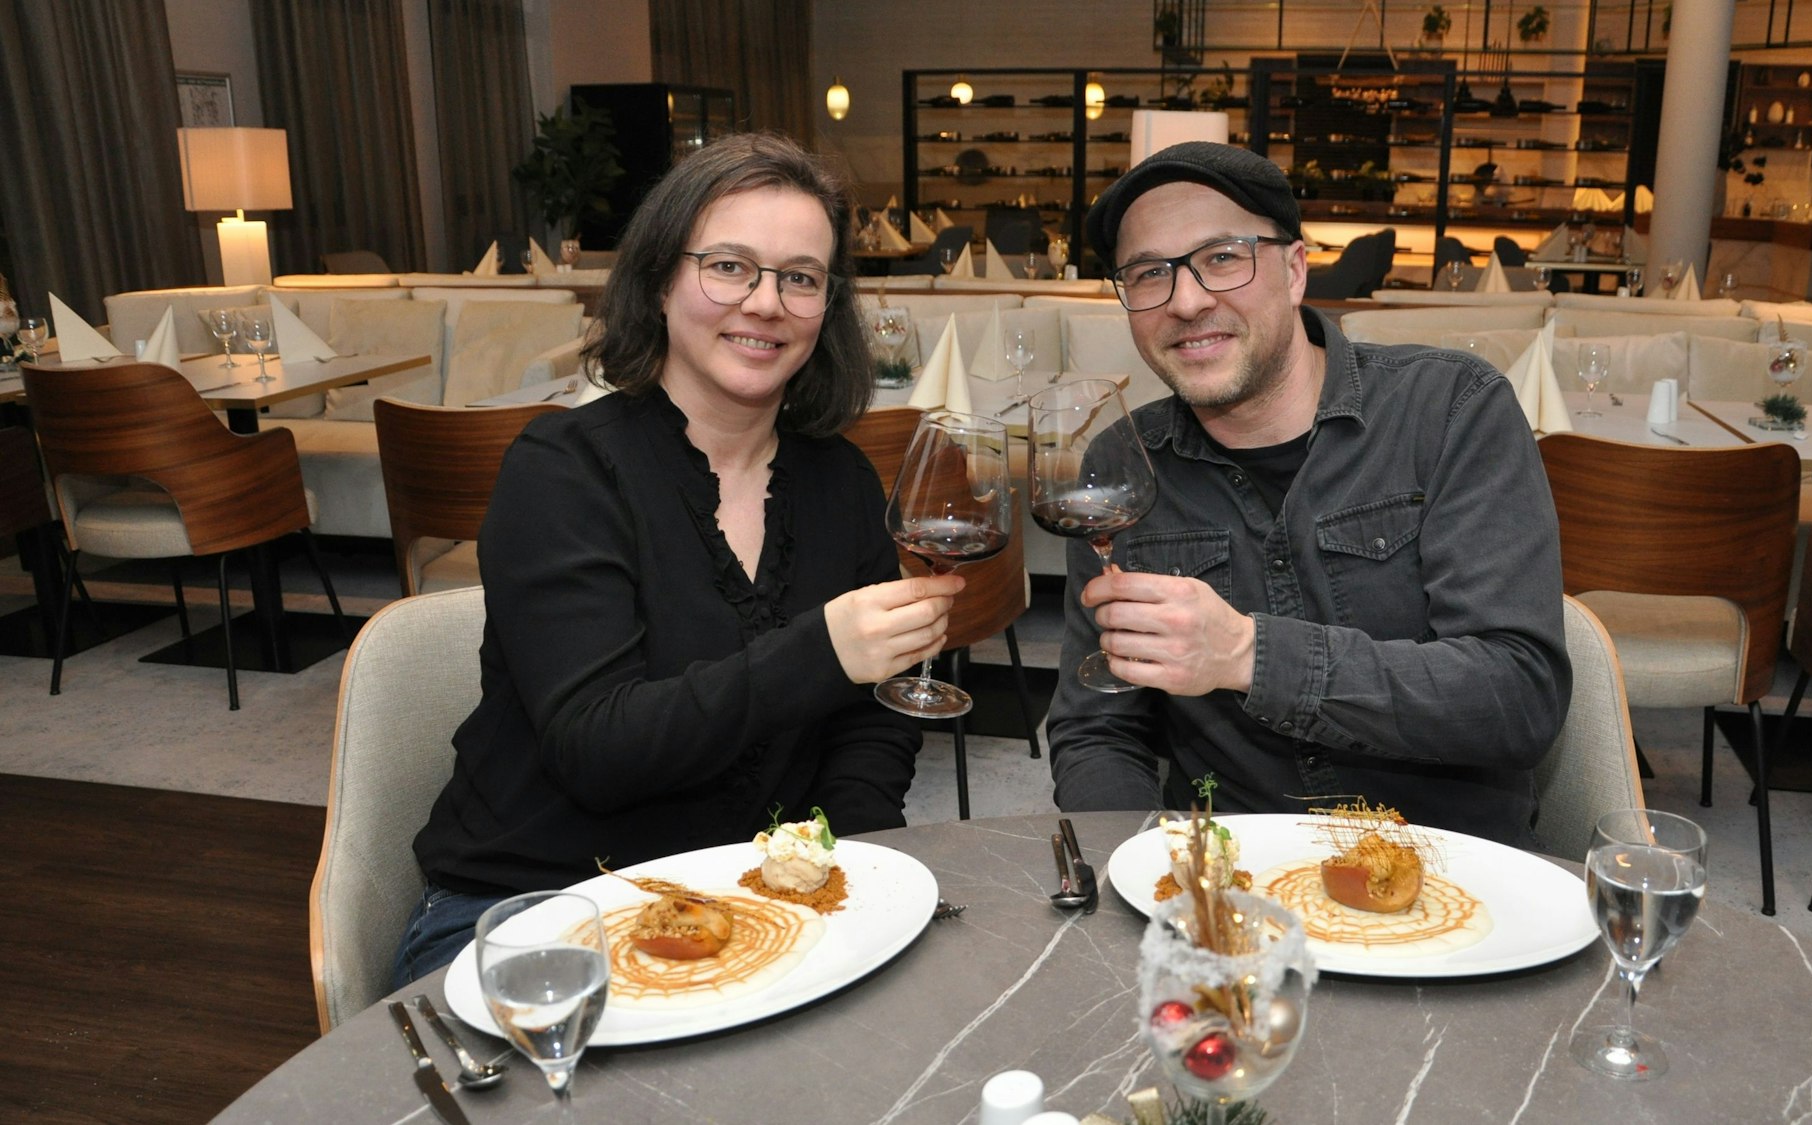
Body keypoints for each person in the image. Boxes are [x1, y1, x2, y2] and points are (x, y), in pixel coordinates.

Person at [394, 133, 963, 983]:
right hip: (538, 907)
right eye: (729, 266)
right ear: (661, 280)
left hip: (748, 904)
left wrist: (857, 874)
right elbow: (596, 747)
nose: (766, 303)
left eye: (800, 277)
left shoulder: (838, 477)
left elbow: (871, 719)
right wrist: (821, 651)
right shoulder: (564, 470)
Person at [1046, 142, 1570, 848]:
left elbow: (1518, 696)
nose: (1188, 300)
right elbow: (1098, 728)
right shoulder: (1124, 463)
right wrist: (1138, 863)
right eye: (1149, 274)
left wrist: (1245, 655)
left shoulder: (1451, 410)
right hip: (1233, 873)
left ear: (1294, 271)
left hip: (1446, 867)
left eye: (1224, 257)